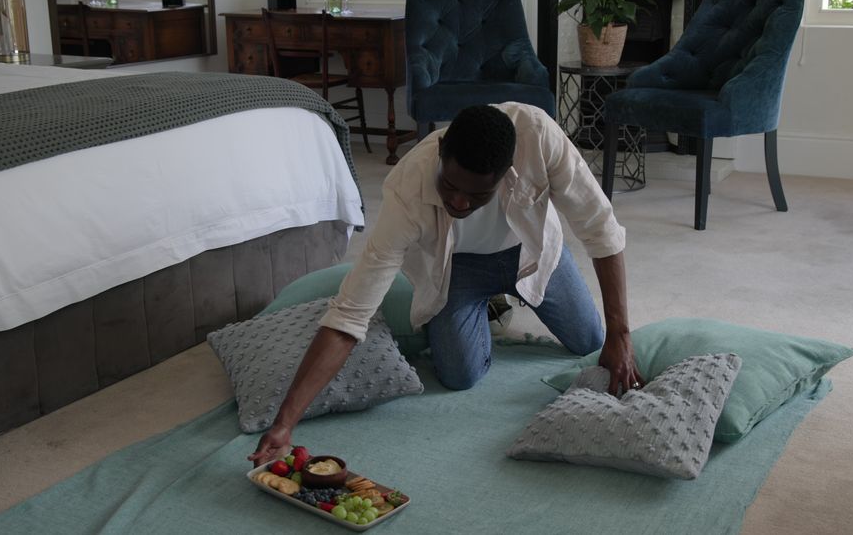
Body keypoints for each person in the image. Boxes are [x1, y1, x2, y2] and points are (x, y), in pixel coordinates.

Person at [249, 102, 643, 466]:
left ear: (505, 173)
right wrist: (285, 423)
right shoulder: (406, 189)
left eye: (476, 194)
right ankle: (489, 307)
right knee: (459, 376)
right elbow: (352, 313)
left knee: (592, 340)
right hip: (457, 270)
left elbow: (601, 229)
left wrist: (621, 334)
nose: (458, 202)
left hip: (529, 253)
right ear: (440, 154)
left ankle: (506, 299)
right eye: (450, 186)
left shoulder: (540, 137)